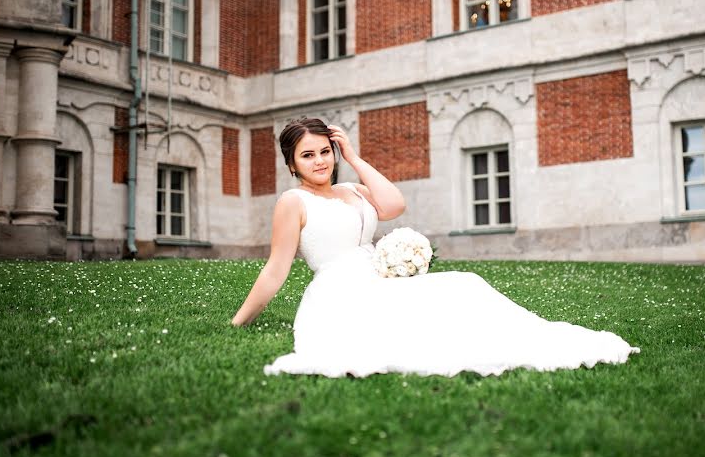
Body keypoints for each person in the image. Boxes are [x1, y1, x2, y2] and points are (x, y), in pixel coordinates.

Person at [232, 118, 640, 377]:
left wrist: (354, 157)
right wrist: (240, 321)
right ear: (292, 164)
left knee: (465, 282)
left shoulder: (351, 187)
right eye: (308, 155)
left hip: (378, 276)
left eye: (325, 152)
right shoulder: (293, 202)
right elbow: (276, 268)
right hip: (340, 290)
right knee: (439, 307)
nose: (320, 161)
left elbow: (393, 205)